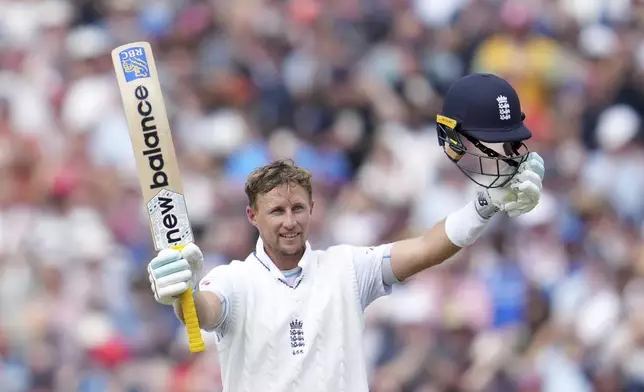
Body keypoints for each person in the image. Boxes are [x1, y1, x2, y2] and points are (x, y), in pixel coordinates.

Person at [146, 73, 545, 391]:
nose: (290, 221)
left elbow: (428, 248)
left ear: (313, 209)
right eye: (277, 211)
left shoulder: (347, 268)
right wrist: (183, 291)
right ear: (252, 216)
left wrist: (486, 204)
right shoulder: (234, 279)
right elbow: (205, 310)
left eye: (298, 208)